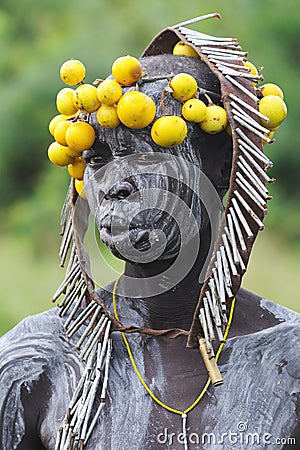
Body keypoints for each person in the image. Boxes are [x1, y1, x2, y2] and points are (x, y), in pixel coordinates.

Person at [0, 15, 299, 450]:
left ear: (222, 168)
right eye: (99, 159)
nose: (114, 182)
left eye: (147, 157)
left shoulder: (287, 360)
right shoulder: (34, 364)